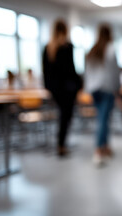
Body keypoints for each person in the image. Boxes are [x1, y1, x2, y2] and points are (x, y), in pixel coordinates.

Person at [42, 19, 82, 157]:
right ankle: (61, 145)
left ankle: (61, 143)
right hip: (67, 89)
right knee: (66, 117)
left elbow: (45, 72)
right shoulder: (67, 47)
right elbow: (71, 69)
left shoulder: (48, 48)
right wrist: (79, 85)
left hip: (55, 90)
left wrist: (50, 89)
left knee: (62, 116)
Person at [85, 24, 120, 166]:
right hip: (106, 89)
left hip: (94, 90)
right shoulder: (110, 49)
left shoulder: (92, 50)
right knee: (103, 120)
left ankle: (105, 147)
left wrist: (87, 89)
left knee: (102, 118)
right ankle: (99, 150)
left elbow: (87, 73)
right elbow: (114, 73)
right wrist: (118, 89)